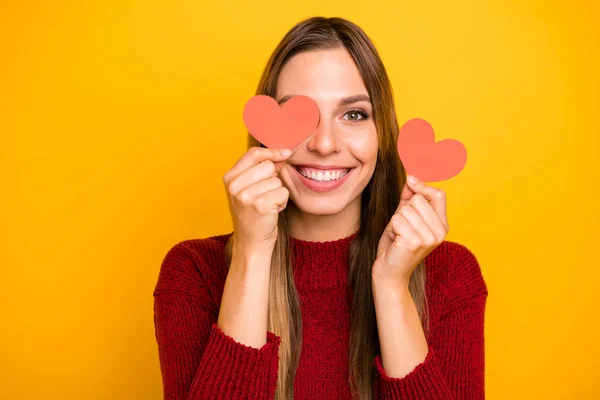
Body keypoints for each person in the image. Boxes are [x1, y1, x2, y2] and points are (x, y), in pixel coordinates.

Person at [153, 16, 488, 400]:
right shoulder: (194, 272)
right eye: (300, 114)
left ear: (382, 133)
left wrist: (393, 287)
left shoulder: (451, 276)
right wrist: (251, 253)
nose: (325, 144)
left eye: (353, 114)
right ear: (266, 129)